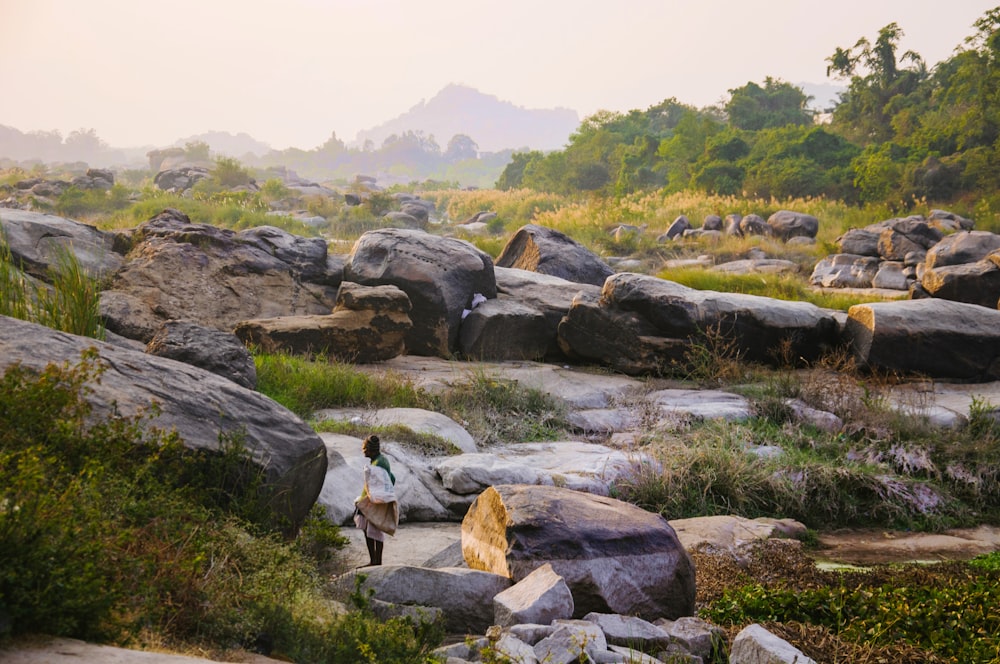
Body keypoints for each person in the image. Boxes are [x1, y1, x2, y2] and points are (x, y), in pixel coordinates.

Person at [353, 435, 398, 566]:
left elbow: (380, 482)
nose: (363, 451)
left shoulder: (378, 463)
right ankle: (375, 560)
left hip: (374, 501)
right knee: (371, 529)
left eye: (365, 448)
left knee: (373, 530)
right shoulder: (380, 460)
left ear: (370, 450)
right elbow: (392, 478)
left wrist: (378, 497)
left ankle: (375, 561)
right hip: (373, 500)